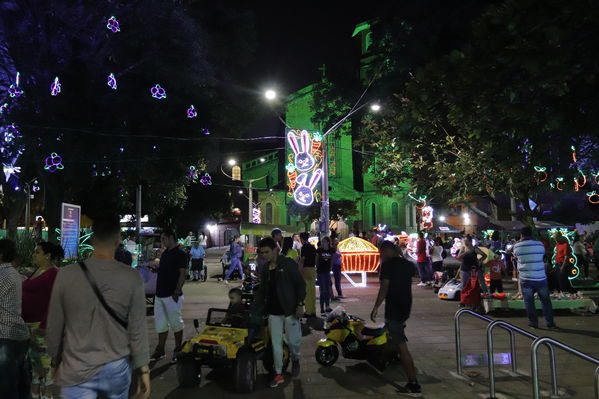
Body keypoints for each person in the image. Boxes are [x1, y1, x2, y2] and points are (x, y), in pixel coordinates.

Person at [47, 213, 150, 399]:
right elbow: (137, 328)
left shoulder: (66, 275)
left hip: (76, 366)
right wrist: (143, 369)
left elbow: (54, 325)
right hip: (116, 366)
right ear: (118, 240)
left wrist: (55, 361)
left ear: (92, 239)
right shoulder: (131, 277)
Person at [251, 237, 305, 388]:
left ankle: (295, 358)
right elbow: (262, 292)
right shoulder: (266, 268)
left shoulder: (288, 264)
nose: (264, 255)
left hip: (290, 310)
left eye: (266, 252)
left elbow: (300, 285)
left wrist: (300, 304)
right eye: (261, 253)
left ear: (275, 249)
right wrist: (256, 309)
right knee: (276, 344)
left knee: (293, 341)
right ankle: (278, 373)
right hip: (273, 312)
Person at [370, 240, 421, 396]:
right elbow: (415, 278)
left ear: (386, 251)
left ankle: (413, 384)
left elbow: (384, 287)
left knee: (401, 345)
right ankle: (383, 360)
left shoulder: (388, 266)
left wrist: (376, 307)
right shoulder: (407, 264)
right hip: (406, 307)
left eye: (381, 253)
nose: (381, 256)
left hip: (394, 308)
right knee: (393, 335)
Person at [22, 242, 63, 399]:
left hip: (41, 327)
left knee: (44, 367)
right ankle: (36, 395)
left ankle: (46, 396)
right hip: (29, 326)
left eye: (37, 252)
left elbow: (54, 302)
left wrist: (45, 325)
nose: (33, 255)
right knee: (35, 367)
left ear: (48, 256)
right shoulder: (37, 271)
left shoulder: (53, 274)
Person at [0, 238, 31, 399]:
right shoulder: (14, 273)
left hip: (4, 334)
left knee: (6, 386)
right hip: (19, 334)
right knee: (21, 383)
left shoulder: (2, 274)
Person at [151, 230, 188, 363]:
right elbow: (165, 270)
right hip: (160, 294)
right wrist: (156, 269)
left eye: (163, 239)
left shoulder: (180, 254)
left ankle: (178, 349)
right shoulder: (165, 253)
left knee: (176, 323)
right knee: (160, 324)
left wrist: (177, 292)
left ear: (171, 238)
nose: (162, 242)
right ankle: (160, 349)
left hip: (172, 295)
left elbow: (183, 274)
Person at [513, 226, 556, 329]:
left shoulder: (517, 246)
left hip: (526, 278)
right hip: (540, 277)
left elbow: (515, 257)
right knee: (545, 301)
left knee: (529, 302)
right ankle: (550, 323)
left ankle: (533, 323)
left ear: (521, 235)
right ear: (531, 234)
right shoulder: (539, 244)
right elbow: (542, 256)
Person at [299, 232, 317, 318]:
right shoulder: (313, 247)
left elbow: (302, 259)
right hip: (313, 269)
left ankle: (308, 311)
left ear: (302, 239)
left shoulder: (304, 247)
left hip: (306, 269)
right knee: (312, 291)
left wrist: (300, 269)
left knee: (307, 292)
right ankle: (313, 310)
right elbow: (316, 258)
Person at [316, 237, 334, 315]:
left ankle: (327, 307)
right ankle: (322, 308)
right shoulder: (319, 250)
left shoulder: (331, 250)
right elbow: (316, 260)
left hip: (327, 271)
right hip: (320, 272)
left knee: (327, 290)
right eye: (322, 242)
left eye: (324, 242)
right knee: (323, 290)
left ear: (328, 242)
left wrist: (330, 267)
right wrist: (317, 268)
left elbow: (332, 258)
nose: (323, 243)